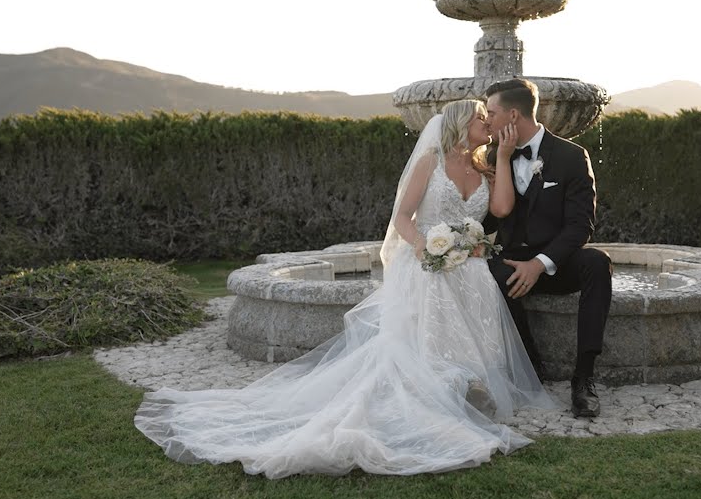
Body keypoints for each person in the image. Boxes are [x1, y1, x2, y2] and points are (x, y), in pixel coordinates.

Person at [134, 99, 555, 478]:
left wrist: (502, 157)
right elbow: (403, 217)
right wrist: (425, 245)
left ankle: (461, 392)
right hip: (428, 266)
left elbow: (500, 208)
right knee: (423, 343)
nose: (488, 123)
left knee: (470, 340)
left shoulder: (485, 167)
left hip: (470, 272)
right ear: (461, 123)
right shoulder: (430, 161)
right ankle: (432, 397)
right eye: (481, 117)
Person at [481, 77, 613, 419]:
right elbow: (488, 221)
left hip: (556, 262)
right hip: (511, 261)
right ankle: (531, 368)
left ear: (513, 115)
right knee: (489, 271)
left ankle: (583, 379)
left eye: (491, 113)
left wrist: (540, 264)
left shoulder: (572, 156)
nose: (487, 120)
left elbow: (581, 226)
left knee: (598, 263)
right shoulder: (493, 155)